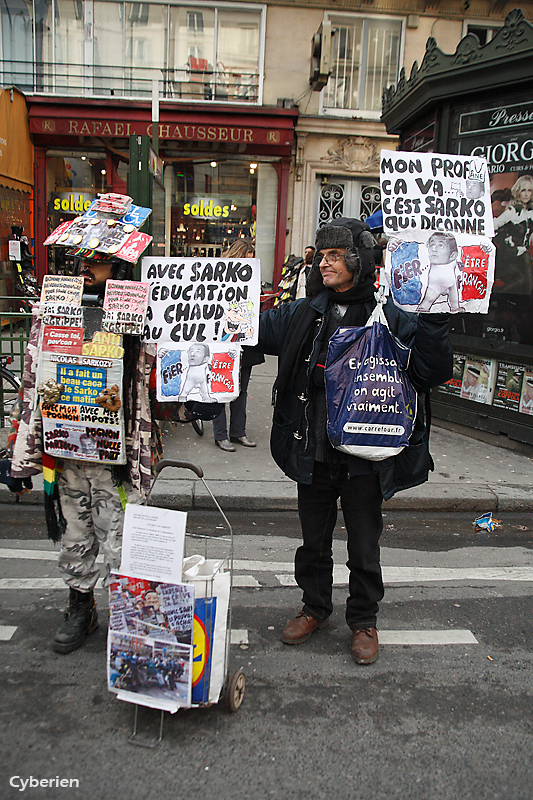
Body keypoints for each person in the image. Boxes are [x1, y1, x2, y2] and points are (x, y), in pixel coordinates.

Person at [258, 218, 452, 664]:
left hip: (366, 458)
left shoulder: (393, 313)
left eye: (333, 256)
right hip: (314, 451)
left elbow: (431, 371)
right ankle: (314, 608)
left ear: (357, 260)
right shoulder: (304, 312)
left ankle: (364, 620)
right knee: (312, 542)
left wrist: (436, 317)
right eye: (321, 256)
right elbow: (249, 332)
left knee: (364, 546)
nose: (324, 263)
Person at [10, 243, 155, 654]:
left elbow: (153, 378)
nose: (88, 266)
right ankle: (81, 607)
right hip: (68, 450)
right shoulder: (56, 305)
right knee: (75, 533)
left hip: (117, 458)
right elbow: (33, 376)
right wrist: (21, 451)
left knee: (122, 538)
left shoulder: (136, 311)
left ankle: (127, 617)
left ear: (120, 264)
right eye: (83, 259)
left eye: (99, 259)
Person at [213, 238, 263, 452]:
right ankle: (221, 435)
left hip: (245, 343)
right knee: (220, 388)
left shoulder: (251, 281)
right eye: (245, 261)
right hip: (222, 341)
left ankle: (237, 432)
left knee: (241, 390)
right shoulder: (218, 277)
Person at [493, 174, 533, 294]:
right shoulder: (512, 211)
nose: (526, 194)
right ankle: (492, 299)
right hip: (508, 257)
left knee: (526, 264)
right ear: (518, 192)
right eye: (523, 190)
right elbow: (494, 225)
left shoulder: (530, 213)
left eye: (529, 190)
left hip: (522, 255)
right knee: (523, 278)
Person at [417, 231, 463, 313]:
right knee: (428, 299)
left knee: (454, 297)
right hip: (436, 282)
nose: (434, 249)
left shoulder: (452, 261)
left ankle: (455, 307)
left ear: (453, 255)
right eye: (432, 245)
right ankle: (422, 309)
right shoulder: (435, 262)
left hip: (451, 281)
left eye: (440, 246)